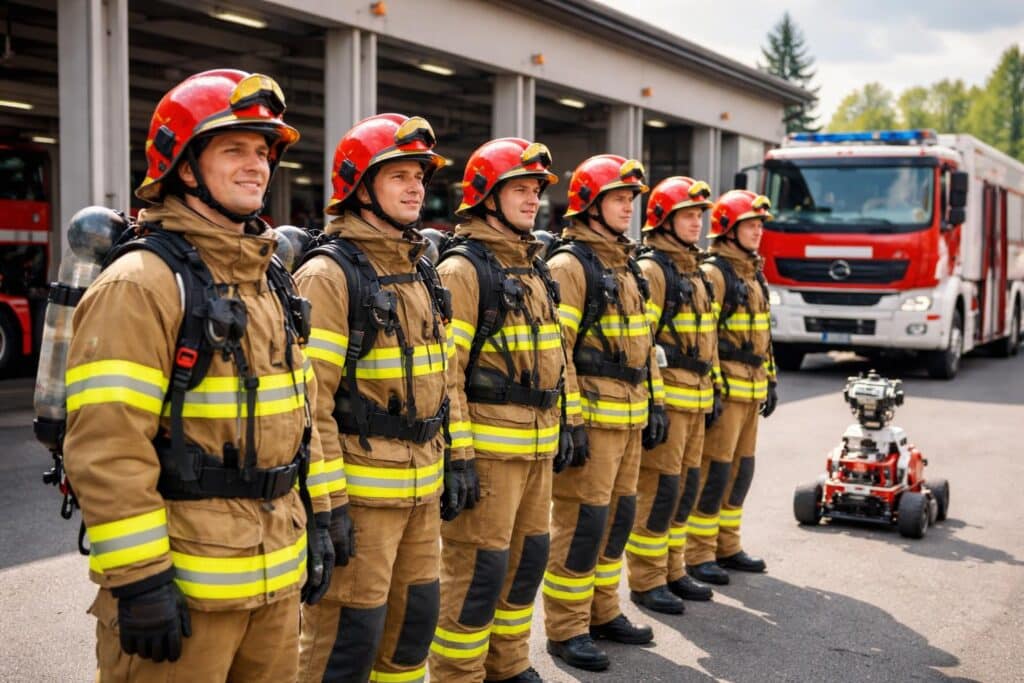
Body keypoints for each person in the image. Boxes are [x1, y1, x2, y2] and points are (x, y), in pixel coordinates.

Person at [63, 69, 335, 680]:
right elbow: (107, 448)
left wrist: (318, 518)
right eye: (234, 150)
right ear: (184, 168)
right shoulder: (140, 284)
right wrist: (140, 580)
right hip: (185, 593)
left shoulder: (270, 278)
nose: (256, 166)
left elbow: (301, 415)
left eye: (262, 152)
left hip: (276, 576)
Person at [295, 113, 475, 683]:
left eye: (419, 176)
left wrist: (457, 459)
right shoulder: (328, 275)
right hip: (362, 501)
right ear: (359, 187)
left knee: (412, 629)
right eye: (399, 175)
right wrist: (328, 508)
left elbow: (446, 378)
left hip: (422, 490)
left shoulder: (422, 271)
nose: (416, 187)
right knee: (347, 643)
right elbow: (311, 406)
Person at [428, 138, 581, 683]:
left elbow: (558, 355)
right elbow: (448, 374)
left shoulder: (533, 268)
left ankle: (508, 663)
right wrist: (460, 456)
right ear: (486, 196)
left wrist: (568, 420)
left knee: (526, 562)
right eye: (520, 188)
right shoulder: (463, 270)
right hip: (490, 455)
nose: (533, 199)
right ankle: (459, 674)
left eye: (537, 190)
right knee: (478, 571)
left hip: (537, 446)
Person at [542, 154, 666, 673]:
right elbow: (560, 350)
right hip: (594, 421)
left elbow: (645, 342)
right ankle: (567, 628)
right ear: (589, 205)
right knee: (582, 525)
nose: (628, 207)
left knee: (616, 522)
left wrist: (656, 399)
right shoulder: (570, 266)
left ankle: (603, 610)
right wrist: (571, 420)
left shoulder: (626, 264)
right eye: (618, 198)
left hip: (630, 416)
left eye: (631, 199)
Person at [626, 177, 719, 615]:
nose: (697, 223)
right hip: (672, 397)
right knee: (660, 490)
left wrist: (714, 387)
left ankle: (673, 568)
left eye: (699, 215)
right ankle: (647, 579)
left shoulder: (693, 269)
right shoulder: (654, 270)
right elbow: (645, 342)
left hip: (697, 397)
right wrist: (656, 400)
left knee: (684, 488)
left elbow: (708, 337)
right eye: (688, 215)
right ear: (663, 220)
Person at [686, 190, 779, 586]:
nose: (758, 232)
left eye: (760, 226)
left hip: (752, 388)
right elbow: (706, 336)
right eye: (750, 225)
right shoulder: (716, 273)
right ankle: (699, 553)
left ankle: (728, 545)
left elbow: (763, 335)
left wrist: (771, 377)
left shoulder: (753, 272)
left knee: (741, 472)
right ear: (728, 229)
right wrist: (716, 388)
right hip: (728, 390)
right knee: (715, 473)